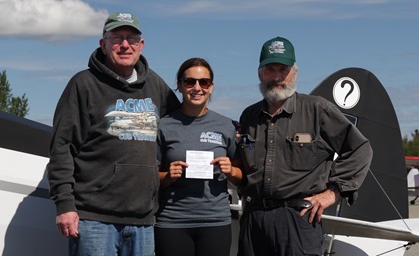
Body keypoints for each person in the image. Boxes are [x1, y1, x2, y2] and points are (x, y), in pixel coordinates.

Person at [46, 12, 180, 256]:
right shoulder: (83, 84)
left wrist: (226, 130)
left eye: (131, 38)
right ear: (103, 44)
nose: (125, 45)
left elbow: (183, 121)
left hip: (143, 220)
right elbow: (62, 147)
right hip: (93, 219)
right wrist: (64, 204)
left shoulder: (155, 85)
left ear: (141, 45)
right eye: (117, 37)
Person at [236, 36, 373, 256]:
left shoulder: (318, 110)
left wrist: (333, 192)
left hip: (298, 219)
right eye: (270, 69)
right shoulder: (249, 115)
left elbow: (359, 149)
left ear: (295, 73)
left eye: (284, 69)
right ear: (260, 73)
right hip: (254, 220)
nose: (277, 77)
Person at [154, 57, 242, 256]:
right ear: (179, 85)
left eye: (204, 82)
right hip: (172, 222)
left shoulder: (226, 125)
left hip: (215, 221)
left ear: (211, 87)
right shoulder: (164, 125)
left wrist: (230, 171)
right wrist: (168, 177)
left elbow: (241, 178)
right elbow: (152, 178)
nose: (197, 87)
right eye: (189, 82)